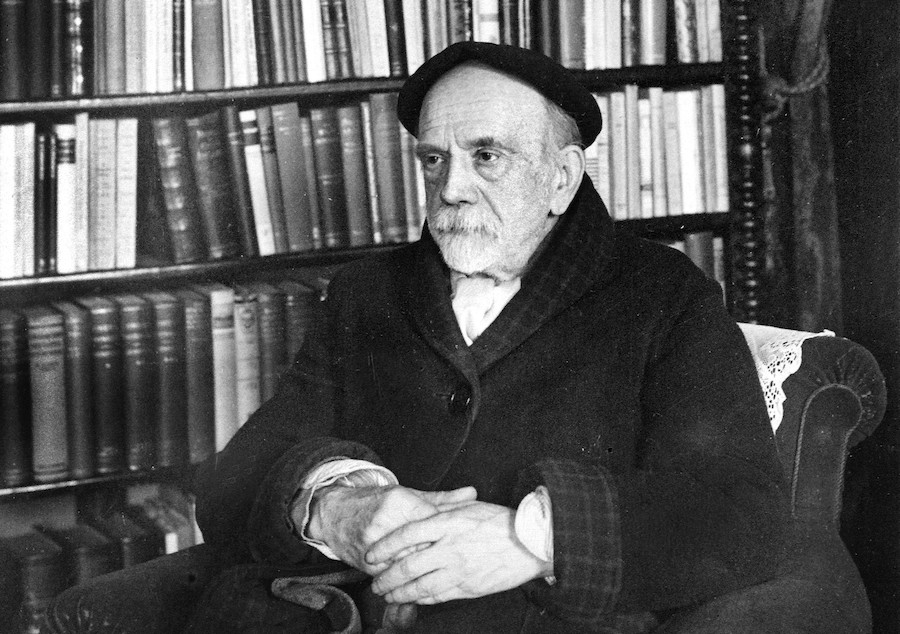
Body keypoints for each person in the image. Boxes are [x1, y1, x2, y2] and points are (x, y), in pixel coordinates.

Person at [189, 42, 795, 633]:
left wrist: (529, 539)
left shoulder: (662, 293)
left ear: (562, 178)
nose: (450, 187)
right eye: (433, 159)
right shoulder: (366, 292)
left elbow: (741, 514)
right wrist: (333, 508)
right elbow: (229, 483)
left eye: (486, 155)